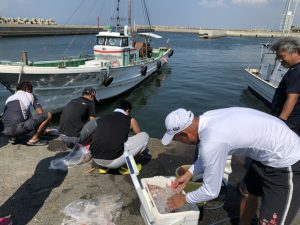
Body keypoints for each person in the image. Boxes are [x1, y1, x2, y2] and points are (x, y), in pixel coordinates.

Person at [161, 107, 300, 225]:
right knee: (247, 192)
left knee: (270, 222)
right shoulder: (207, 118)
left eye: (177, 139)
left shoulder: (212, 141)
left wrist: (184, 199)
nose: (180, 142)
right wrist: (189, 173)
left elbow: (211, 191)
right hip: (267, 150)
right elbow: (209, 155)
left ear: (185, 135)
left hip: (287, 159)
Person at [90, 99, 149, 174]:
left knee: (106, 137)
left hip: (96, 159)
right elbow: (139, 134)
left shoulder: (102, 118)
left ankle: (104, 168)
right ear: (127, 110)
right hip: (113, 162)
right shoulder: (130, 120)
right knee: (145, 135)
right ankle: (126, 167)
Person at [1, 81, 52, 145]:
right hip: (16, 129)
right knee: (48, 114)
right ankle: (33, 139)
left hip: (4, 131)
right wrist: (47, 126)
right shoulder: (30, 95)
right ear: (28, 89)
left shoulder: (10, 98)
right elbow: (41, 113)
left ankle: (13, 138)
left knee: (20, 114)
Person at [270, 37, 300, 135]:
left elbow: (292, 98)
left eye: (282, 56)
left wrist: (281, 122)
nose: (280, 60)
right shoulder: (294, 69)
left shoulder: (297, 72)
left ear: (294, 52)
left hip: (289, 123)